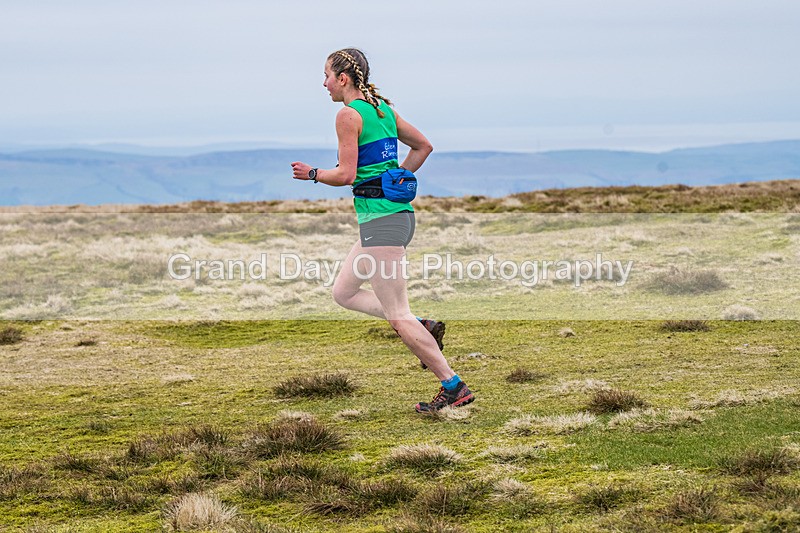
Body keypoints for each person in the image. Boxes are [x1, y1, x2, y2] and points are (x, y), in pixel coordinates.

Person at [291, 48, 474, 413]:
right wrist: (399, 177)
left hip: (382, 223)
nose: (323, 83)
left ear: (343, 78)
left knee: (396, 314)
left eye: (326, 75)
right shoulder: (382, 110)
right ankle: (423, 325)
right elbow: (424, 146)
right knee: (343, 292)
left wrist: (312, 173)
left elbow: (345, 175)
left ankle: (453, 386)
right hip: (393, 218)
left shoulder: (348, 114)